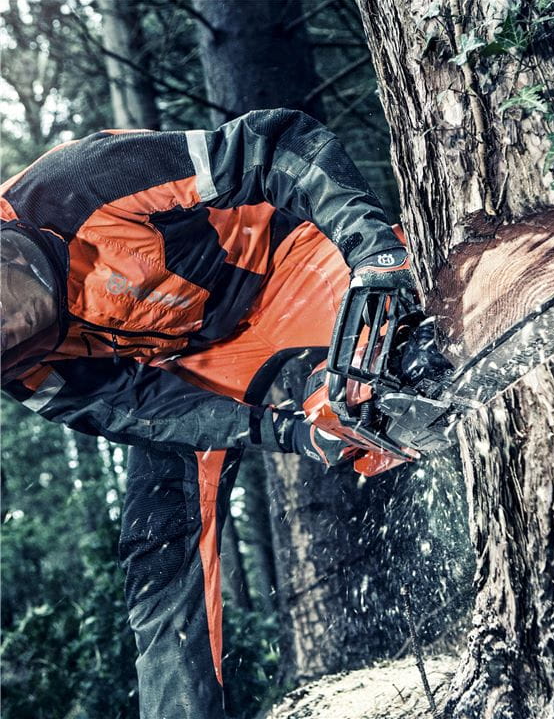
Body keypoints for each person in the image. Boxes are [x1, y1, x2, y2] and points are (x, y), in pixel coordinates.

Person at [0, 109, 423, 718]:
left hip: (289, 260)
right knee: (160, 549)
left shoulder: (80, 182)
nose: (13, 324)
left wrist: (371, 248)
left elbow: (272, 145)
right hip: (195, 362)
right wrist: (287, 433)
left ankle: (420, 369)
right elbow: (147, 412)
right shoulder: (26, 371)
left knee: (367, 381)